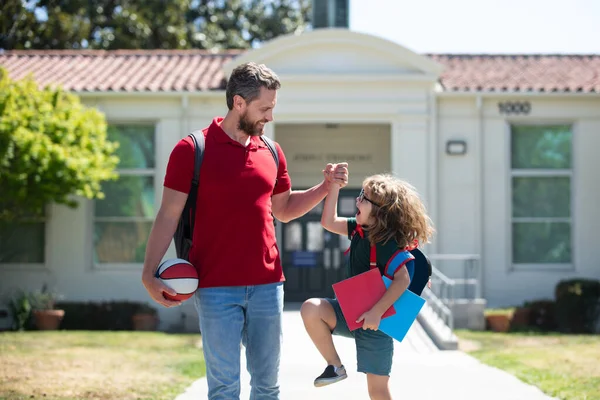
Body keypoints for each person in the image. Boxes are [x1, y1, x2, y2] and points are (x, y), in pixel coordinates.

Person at [141, 62, 348, 400]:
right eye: (264, 108)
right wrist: (149, 273)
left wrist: (324, 188)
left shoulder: (271, 151)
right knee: (224, 388)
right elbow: (168, 214)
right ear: (239, 103)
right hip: (214, 288)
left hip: (268, 286)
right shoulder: (192, 150)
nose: (270, 116)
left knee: (267, 386)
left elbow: (282, 210)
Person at [300, 173, 434, 400]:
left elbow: (402, 280)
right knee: (311, 308)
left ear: (379, 212)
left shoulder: (387, 244)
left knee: (378, 391)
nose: (357, 200)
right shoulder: (357, 230)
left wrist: (376, 312)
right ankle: (335, 367)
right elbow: (328, 222)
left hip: (377, 325)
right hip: (350, 313)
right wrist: (334, 186)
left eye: (363, 198)